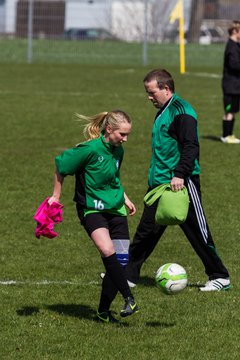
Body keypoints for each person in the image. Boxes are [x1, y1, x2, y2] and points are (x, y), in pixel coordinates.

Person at [125, 69, 231, 292]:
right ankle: (129, 275)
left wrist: (180, 174)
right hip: (160, 183)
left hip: (181, 183)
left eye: (152, 92)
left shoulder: (182, 111)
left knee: (196, 230)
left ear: (166, 88)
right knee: (147, 231)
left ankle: (220, 276)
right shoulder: (164, 109)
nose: (149, 97)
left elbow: (191, 145)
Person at [48, 110, 139, 323]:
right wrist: (55, 195)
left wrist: (124, 197)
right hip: (92, 209)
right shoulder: (89, 149)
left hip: (115, 207)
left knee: (121, 260)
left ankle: (103, 312)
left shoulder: (119, 150)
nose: (125, 139)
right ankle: (129, 298)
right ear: (109, 129)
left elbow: (114, 177)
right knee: (107, 250)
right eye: (122, 134)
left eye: (128, 135)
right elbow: (61, 166)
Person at [221, 20, 240, 144]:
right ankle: (226, 136)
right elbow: (234, 65)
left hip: (236, 85)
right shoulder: (231, 46)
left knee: (233, 110)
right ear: (235, 31)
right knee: (229, 111)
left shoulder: (236, 45)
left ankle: (230, 135)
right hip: (230, 85)